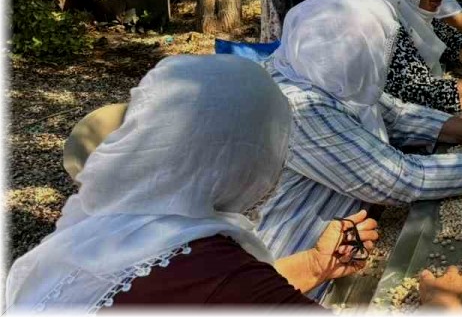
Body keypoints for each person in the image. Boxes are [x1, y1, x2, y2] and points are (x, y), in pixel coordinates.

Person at [5, 55, 380, 310]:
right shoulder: (219, 273)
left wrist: (314, 265)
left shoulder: (100, 234)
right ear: (241, 160)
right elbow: (222, 290)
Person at [255, 0, 462, 281]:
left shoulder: (316, 68)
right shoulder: (299, 108)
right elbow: (401, 179)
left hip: (342, 246)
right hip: (293, 269)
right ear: (353, 47)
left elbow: (396, 114)